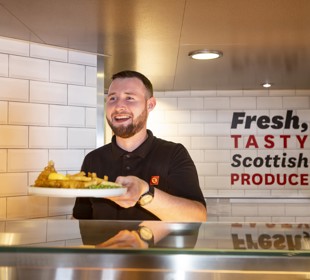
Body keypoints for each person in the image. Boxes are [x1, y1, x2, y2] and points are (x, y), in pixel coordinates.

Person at [73, 70, 207, 222]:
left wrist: (145, 192)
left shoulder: (173, 154)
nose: (119, 106)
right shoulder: (93, 160)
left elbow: (198, 216)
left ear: (150, 104)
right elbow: (80, 220)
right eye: (112, 98)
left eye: (129, 98)